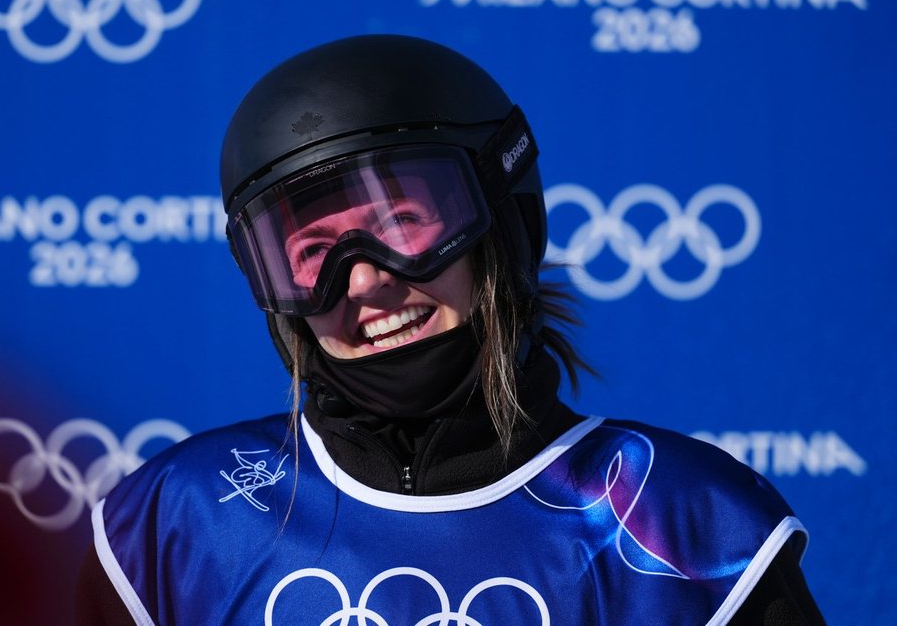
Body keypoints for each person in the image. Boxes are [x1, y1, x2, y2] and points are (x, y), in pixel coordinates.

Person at [76, 35, 822, 624]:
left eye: (401, 224)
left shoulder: (685, 526)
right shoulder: (176, 528)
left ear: (501, 222)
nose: (362, 282)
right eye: (310, 254)